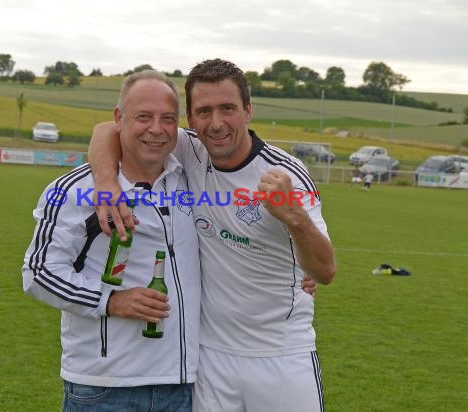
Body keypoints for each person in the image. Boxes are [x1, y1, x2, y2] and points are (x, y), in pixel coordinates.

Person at [89, 58, 336, 412]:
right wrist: (106, 184)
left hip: (281, 354)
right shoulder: (190, 149)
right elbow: (106, 130)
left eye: (228, 109)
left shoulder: (287, 175)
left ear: (248, 111)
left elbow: (325, 271)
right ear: (191, 118)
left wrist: (296, 219)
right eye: (204, 111)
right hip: (210, 360)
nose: (216, 123)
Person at [22, 70, 201, 411]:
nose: (156, 128)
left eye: (167, 119)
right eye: (143, 117)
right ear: (119, 117)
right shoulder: (73, 191)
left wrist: (294, 265)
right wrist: (111, 301)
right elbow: (39, 273)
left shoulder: (193, 178)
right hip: (105, 388)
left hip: (185, 385)